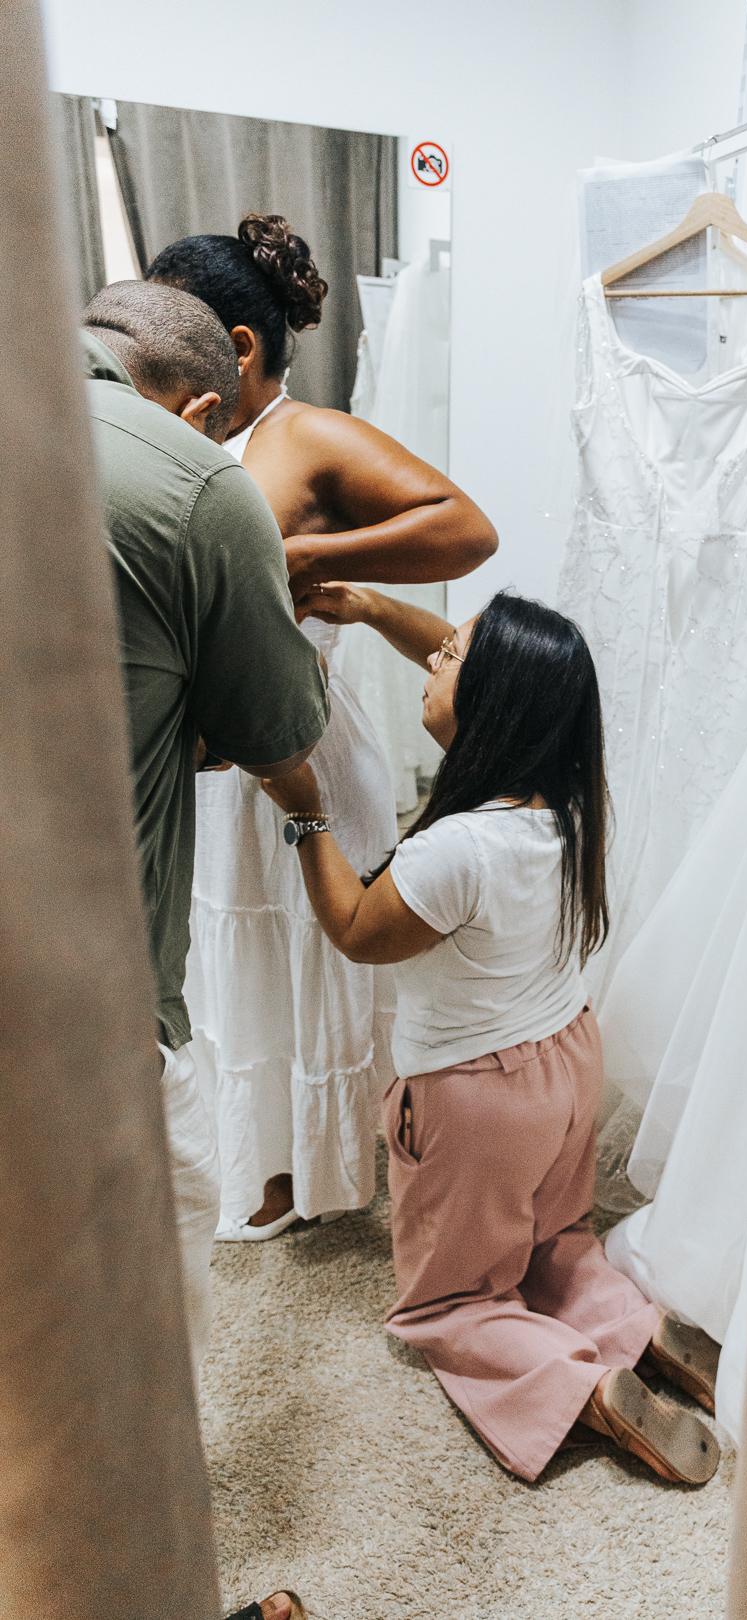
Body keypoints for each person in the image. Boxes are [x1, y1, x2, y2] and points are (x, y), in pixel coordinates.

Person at [259, 584, 722, 1485]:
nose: (431, 661)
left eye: (448, 656)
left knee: (453, 1300)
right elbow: (478, 667)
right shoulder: (575, 805)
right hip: (566, 1066)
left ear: (491, 703)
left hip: (477, 1106)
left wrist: (303, 805)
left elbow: (356, 930)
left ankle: (576, 1387)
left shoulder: (453, 850)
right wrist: (369, 608)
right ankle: (642, 1333)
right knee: (555, 1242)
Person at [143, 215, 498, 1238]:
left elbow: (465, 528)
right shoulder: (208, 436)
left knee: (310, 944)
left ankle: (323, 1167)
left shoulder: (304, 436)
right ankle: (265, 1157)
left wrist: (306, 565)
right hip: (223, 757)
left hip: (303, 737)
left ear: (238, 348)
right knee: (240, 951)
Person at [81, 281, 330, 1363]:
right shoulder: (194, 484)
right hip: (84, 997)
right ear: (202, 409)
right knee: (134, 1301)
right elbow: (275, 732)